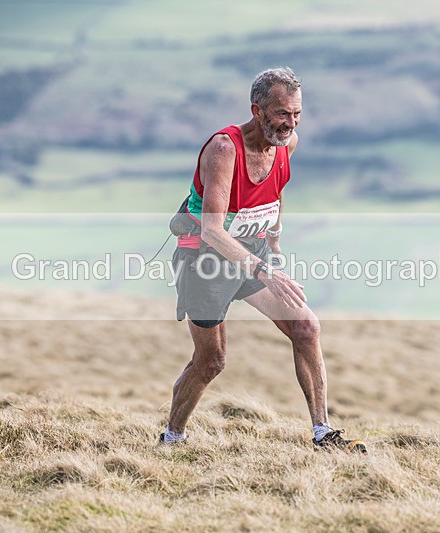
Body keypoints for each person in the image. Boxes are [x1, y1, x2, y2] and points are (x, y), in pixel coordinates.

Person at [161, 67, 366, 453]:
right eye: (282, 114)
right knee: (211, 361)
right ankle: (172, 436)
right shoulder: (225, 149)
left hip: (252, 255)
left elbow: (275, 193)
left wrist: (273, 245)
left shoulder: (287, 145)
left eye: (297, 114)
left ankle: (322, 433)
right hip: (205, 263)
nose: (290, 123)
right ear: (258, 111)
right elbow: (212, 230)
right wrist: (265, 272)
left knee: (306, 327)